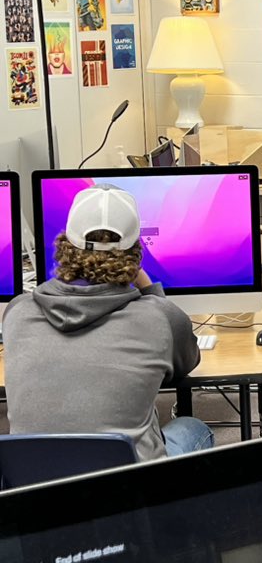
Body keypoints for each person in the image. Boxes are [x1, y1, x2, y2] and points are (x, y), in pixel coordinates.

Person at [3, 184, 213, 460]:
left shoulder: (17, 312)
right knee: (193, 428)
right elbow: (187, 362)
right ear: (136, 254)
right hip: (128, 489)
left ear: (65, 246)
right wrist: (151, 292)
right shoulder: (159, 317)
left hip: (36, 489)